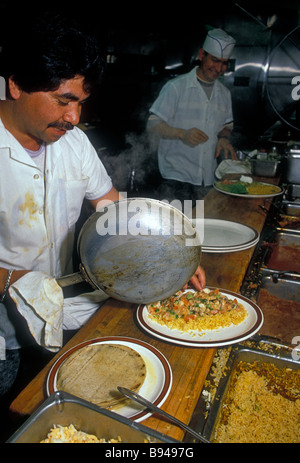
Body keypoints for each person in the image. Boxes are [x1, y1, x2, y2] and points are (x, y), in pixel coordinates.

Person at [0, 13, 206, 401]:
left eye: (81, 103)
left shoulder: (73, 143)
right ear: (16, 84)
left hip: (64, 314)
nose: (74, 118)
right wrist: (14, 282)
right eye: (64, 101)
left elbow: (110, 205)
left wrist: (171, 249)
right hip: (2, 335)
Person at [147, 28, 237, 203]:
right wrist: (182, 134)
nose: (219, 68)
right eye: (215, 60)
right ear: (202, 54)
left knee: (201, 229)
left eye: (224, 63)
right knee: (176, 229)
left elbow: (227, 126)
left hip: (208, 180)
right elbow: (152, 125)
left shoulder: (224, 94)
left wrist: (223, 138)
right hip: (176, 180)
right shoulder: (176, 87)